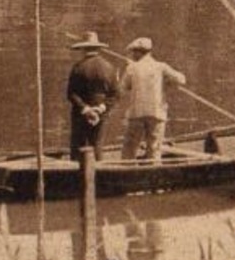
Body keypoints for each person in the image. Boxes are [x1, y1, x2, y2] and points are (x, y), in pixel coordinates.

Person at [116, 36, 186, 162]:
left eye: (133, 52)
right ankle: (154, 170)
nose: (132, 55)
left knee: (129, 149)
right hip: (156, 113)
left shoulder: (131, 68)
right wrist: (168, 81)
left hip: (136, 113)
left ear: (138, 52)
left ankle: (128, 172)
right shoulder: (161, 67)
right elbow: (182, 79)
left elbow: (122, 88)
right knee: (154, 148)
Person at [66, 31, 119, 161]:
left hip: (81, 112)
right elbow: (115, 94)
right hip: (101, 111)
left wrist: (86, 109)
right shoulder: (109, 67)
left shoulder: (78, 67)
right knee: (97, 144)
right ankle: (98, 173)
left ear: (83, 49)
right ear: (98, 48)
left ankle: (77, 173)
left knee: (78, 144)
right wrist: (100, 108)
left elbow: (71, 94)